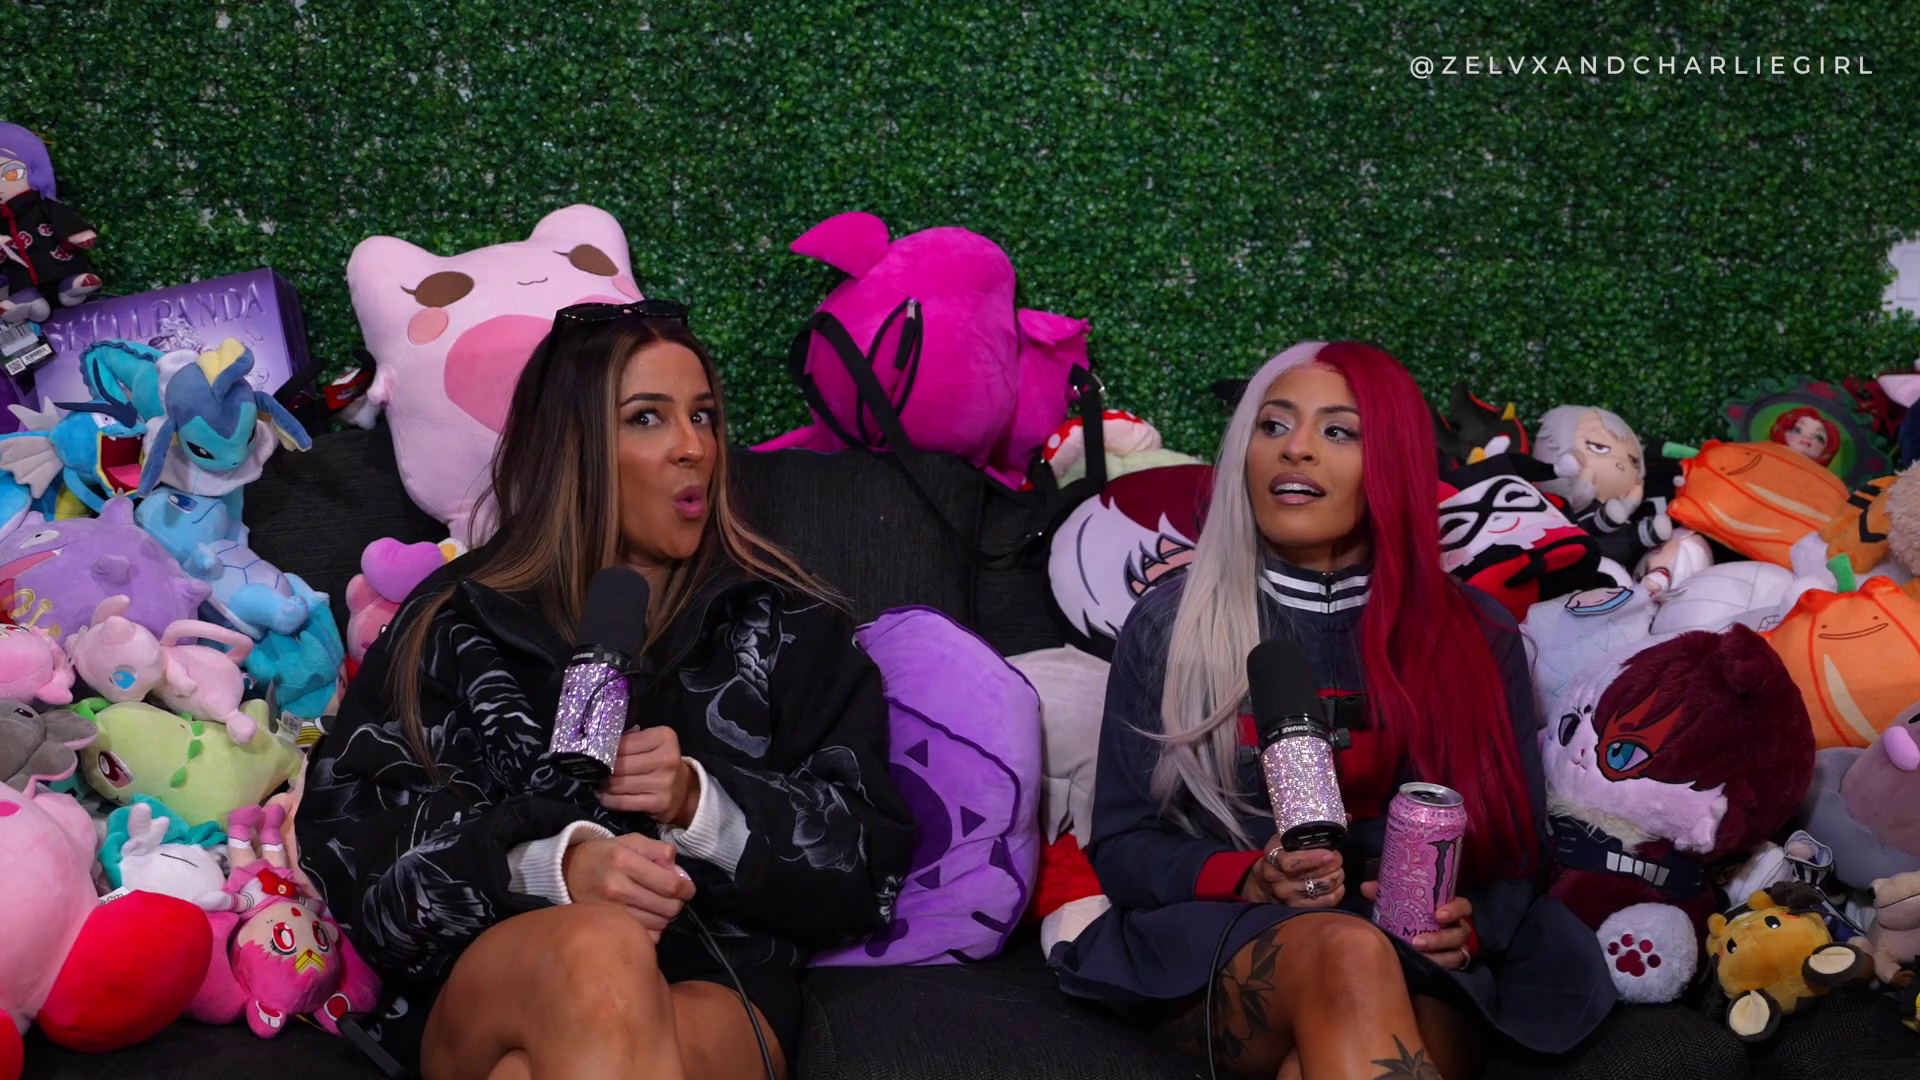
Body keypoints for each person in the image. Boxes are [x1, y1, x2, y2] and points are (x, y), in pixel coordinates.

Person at [298, 301, 919, 1080]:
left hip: (719, 986)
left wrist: (700, 802)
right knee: (600, 947)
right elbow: (355, 862)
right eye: (647, 418)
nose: (693, 447)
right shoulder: (456, 622)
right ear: (573, 445)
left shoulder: (790, 624)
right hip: (495, 979)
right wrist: (552, 865)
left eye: (703, 416)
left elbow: (867, 873)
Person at [1051, 341, 1614, 1079]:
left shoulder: (1482, 635)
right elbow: (1124, 845)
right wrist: (1248, 875)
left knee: (1349, 1013)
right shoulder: (1169, 626)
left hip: (1418, 955)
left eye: (1339, 431)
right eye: (1273, 425)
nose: (1297, 449)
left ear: (1395, 464)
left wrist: (1469, 929)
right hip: (1226, 934)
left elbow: (1517, 852)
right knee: (1350, 953)